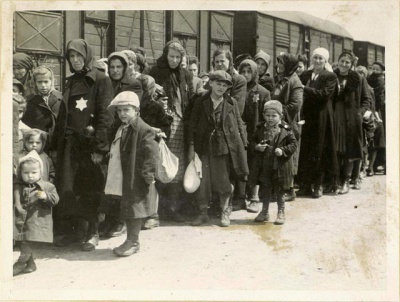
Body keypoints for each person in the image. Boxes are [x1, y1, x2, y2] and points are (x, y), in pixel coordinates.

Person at [50, 39, 114, 251]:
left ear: (87, 55)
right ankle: (76, 231)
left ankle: (92, 232)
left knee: (91, 187)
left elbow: (105, 115)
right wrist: (55, 145)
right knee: (69, 188)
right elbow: (63, 117)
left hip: (89, 145)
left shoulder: (101, 79)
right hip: (69, 144)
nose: (75, 60)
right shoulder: (71, 81)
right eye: (71, 56)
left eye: (79, 55)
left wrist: (100, 148)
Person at [188, 70, 248, 227]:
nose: (221, 88)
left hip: (223, 147)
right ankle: (202, 213)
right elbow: (192, 125)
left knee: (222, 180)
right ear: (211, 83)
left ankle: (224, 210)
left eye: (224, 85)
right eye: (218, 84)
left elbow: (239, 123)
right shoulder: (201, 101)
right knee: (203, 181)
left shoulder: (231, 103)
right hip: (203, 147)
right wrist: (192, 147)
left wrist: (243, 141)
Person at [103, 91, 159, 257]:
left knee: (135, 208)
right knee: (127, 206)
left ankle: (133, 241)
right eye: (119, 111)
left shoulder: (143, 129)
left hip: (136, 175)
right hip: (124, 173)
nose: (122, 114)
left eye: (126, 110)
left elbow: (151, 153)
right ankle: (130, 239)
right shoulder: (122, 127)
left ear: (136, 110)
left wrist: (147, 173)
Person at [149, 41, 194, 222]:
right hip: (162, 124)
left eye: (178, 57)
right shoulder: (155, 73)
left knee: (177, 165)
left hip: (180, 125)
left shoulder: (186, 75)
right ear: (165, 55)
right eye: (171, 56)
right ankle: (156, 212)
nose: (174, 60)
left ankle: (173, 208)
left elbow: (188, 99)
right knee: (160, 164)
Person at [297, 47, 338, 198]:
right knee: (307, 149)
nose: (318, 61)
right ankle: (306, 185)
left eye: (321, 58)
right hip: (308, 115)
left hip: (322, 117)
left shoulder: (330, 76)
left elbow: (324, 95)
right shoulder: (306, 74)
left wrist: (305, 89)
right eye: (315, 58)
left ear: (325, 61)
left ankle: (318, 185)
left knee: (319, 150)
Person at [136, 75, 173, 230]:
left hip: (150, 148)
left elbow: (166, 127)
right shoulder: (133, 105)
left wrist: (158, 131)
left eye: (146, 89)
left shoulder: (155, 106)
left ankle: (153, 215)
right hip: (135, 147)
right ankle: (140, 215)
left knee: (150, 181)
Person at [250, 101, 297, 225]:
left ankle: (281, 211)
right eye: (267, 115)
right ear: (263, 115)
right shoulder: (260, 128)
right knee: (265, 189)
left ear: (280, 116)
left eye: (274, 116)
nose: (270, 118)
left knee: (279, 189)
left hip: (279, 166)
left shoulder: (286, 129)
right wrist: (256, 147)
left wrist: (283, 150)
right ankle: (264, 212)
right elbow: (252, 141)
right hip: (264, 165)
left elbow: (293, 144)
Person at [13, 150, 59, 276]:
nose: (30, 176)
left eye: (34, 172)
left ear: (41, 172)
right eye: (26, 173)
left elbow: (55, 199)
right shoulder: (17, 186)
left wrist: (45, 196)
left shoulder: (47, 186)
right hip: (20, 220)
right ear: (20, 173)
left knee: (26, 244)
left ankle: (20, 263)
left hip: (35, 221)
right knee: (23, 242)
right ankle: (30, 264)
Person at [332, 51, 371, 193]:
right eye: (342, 61)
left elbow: (366, 100)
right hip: (335, 118)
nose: (344, 64)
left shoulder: (358, 79)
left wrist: (359, 114)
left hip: (351, 120)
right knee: (336, 149)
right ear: (338, 61)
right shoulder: (332, 76)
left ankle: (346, 181)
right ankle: (335, 180)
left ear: (352, 64)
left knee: (349, 150)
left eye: (347, 62)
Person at [238, 59, 270, 213]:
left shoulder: (263, 92)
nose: (245, 75)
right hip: (241, 132)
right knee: (242, 163)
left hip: (256, 132)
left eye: (249, 72)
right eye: (242, 71)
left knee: (255, 163)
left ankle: (254, 197)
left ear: (255, 73)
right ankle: (241, 196)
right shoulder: (238, 89)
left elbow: (267, 115)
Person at [271, 53, 303, 201]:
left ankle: (289, 189)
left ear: (289, 65)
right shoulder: (281, 79)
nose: (278, 66)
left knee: (288, 156)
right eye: (278, 63)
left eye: (282, 63)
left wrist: (278, 112)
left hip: (288, 124)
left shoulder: (294, 81)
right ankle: (280, 188)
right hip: (277, 121)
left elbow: (295, 104)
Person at [21, 66, 62, 151]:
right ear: (35, 83)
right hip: (37, 145)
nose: (43, 85)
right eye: (39, 82)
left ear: (51, 81)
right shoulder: (29, 101)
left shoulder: (60, 98)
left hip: (56, 144)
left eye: (46, 81)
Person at [212, 49, 247, 115]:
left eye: (222, 61)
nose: (219, 64)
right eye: (217, 61)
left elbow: (237, 109)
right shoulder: (212, 80)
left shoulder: (239, 80)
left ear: (230, 62)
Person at [367, 62, 386, 176]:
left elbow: (379, 97)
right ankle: (372, 166)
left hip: (377, 109)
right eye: (373, 68)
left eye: (377, 69)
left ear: (381, 70)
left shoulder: (379, 80)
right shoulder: (370, 78)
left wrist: (376, 111)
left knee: (376, 138)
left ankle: (372, 166)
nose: (374, 70)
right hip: (373, 108)